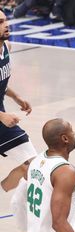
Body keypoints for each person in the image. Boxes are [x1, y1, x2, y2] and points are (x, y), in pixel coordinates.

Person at [0, 11, 39, 193]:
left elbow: (2, 83)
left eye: (6, 20)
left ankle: (3, 189)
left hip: (3, 120)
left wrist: (17, 98)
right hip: (2, 117)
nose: (6, 25)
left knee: (33, 164)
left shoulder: (7, 46)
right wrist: (2, 116)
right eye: (0, 22)